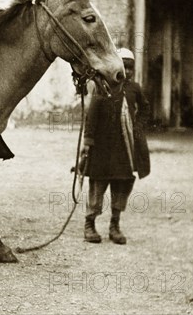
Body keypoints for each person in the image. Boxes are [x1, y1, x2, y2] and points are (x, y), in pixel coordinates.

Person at [82, 48, 150, 245]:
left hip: (124, 148)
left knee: (122, 184)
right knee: (98, 185)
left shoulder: (134, 88)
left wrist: (137, 126)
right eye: (123, 67)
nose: (127, 72)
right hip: (102, 147)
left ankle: (115, 225)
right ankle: (90, 224)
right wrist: (88, 141)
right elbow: (92, 115)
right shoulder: (102, 87)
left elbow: (144, 108)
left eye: (130, 68)